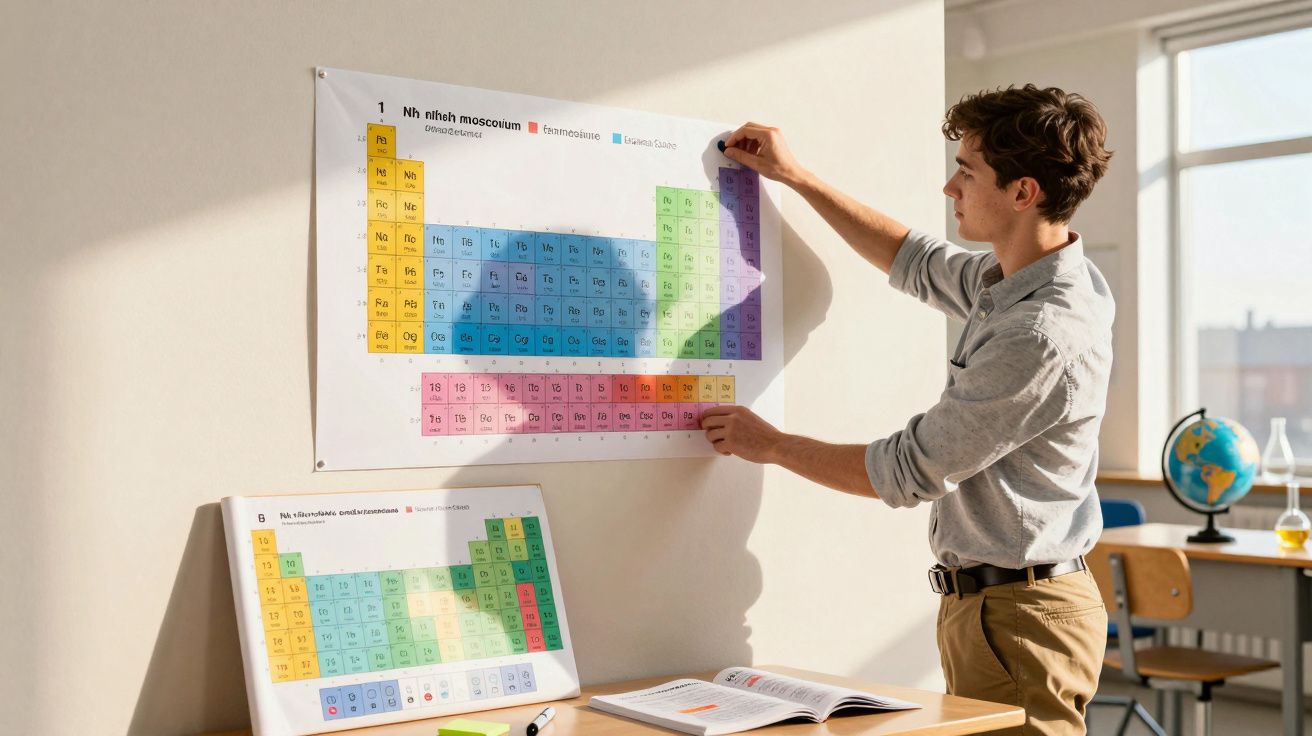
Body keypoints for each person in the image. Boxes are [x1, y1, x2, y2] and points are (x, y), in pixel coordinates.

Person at [701, 84, 1115, 735]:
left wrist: (771, 445)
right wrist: (795, 177)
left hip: (1021, 618)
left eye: (967, 171)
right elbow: (912, 258)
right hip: (990, 606)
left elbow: (905, 473)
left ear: (1023, 192)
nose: (951, 187)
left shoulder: (1040, 330)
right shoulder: (1012, 280)